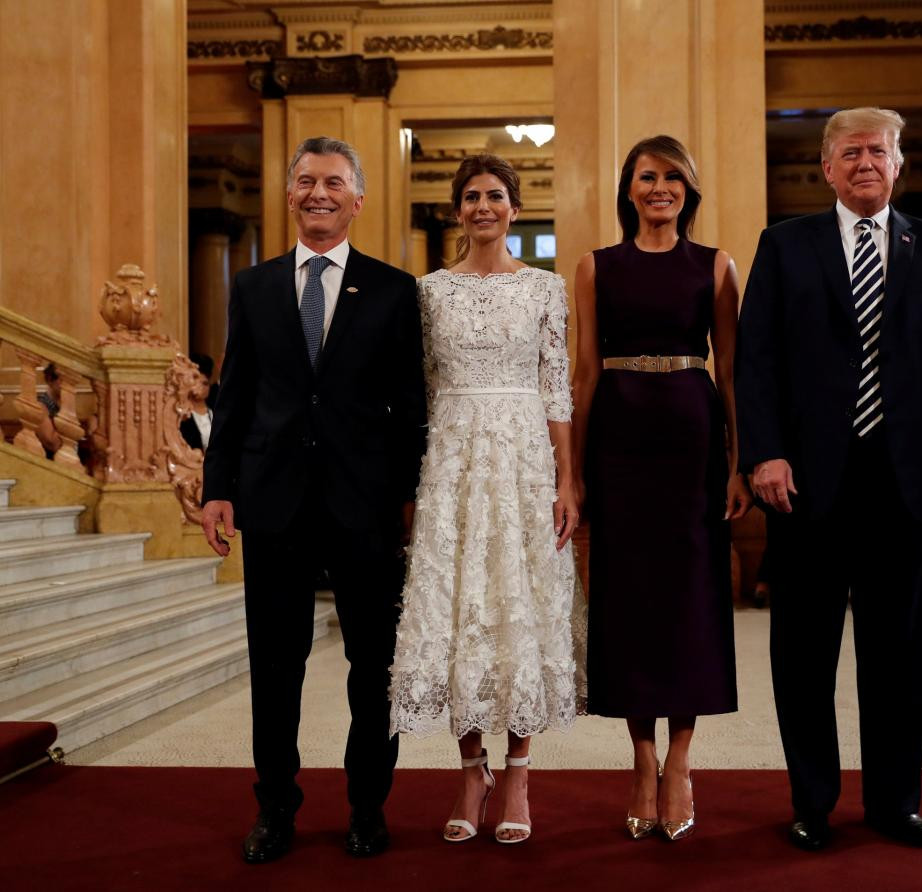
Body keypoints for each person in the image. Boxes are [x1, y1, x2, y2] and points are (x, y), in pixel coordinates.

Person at [736, 107, 922, 852]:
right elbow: (758, 360)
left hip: (907, 482)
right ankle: (811, 800)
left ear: (899, 162)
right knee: (804, 652)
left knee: (897, 653)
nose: (864, 164)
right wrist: (765, 453)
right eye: (849, 153)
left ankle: (894, 802)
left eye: (877, 151)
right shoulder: (785, 246)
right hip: (806, 482)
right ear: (826, 168)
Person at [200, 136, 426, 863]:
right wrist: (216, 489)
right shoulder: (253, 286)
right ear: (289, 194)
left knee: (374, 663)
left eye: (333, 182)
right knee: (275, 664)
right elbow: (232, 400)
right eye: (305, 181)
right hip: (272, 503)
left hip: (365, 505)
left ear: (358, 199)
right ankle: (275, 807)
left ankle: (367, 804)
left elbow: (411, 407)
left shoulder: (395, 290)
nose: (317, 192)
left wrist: (412, 499)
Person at [387, 154, 584, 846]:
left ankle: (520, 772)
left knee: (520, 606)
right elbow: (424, 391)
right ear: (455, 208)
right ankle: (472, 769)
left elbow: (557, 386)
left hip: (526, 460)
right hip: (454, 462)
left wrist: (566, 478)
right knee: (458, 612)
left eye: (495, 195)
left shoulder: (545, 289)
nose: (482, 206)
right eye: (471, 196)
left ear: (515, 206)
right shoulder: (430, 292)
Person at [571, 135, 750, 842]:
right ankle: (640, 757)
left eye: (672, 177)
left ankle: (680, 760)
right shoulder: (595, 266)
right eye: (648, 176)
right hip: (618, 437)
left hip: (693, 440)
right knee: (627, 602)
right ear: (629, 188)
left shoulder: (715, 266)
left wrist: (739, 461)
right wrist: (573, 472)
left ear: (690, 189)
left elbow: (732, 373)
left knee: (690, 602)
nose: (659, 188)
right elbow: (583, 375)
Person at [179, 353, 215, 451]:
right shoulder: (183, 414)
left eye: (205, 383)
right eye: (197, 382)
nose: (202, 387)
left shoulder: (214, 411)